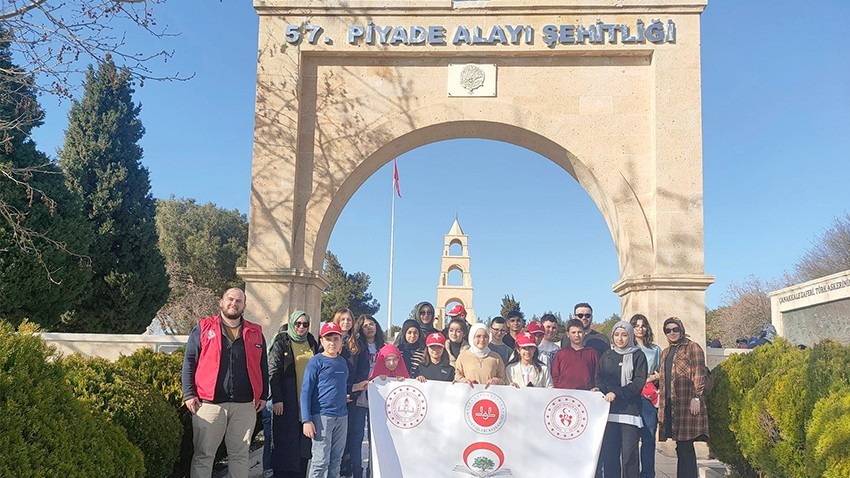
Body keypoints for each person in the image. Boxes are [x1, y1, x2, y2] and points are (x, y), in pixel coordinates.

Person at [181, 288, 268, 478]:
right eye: (230, 299)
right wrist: (188, 393)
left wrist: (263, 395)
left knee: (240, 455)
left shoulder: (255, 332)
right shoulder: (203, 328)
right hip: (209, 404)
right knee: (204, 455)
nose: (234, 303)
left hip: (244, 405)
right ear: (221, 302)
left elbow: (262, 366)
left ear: (244, 306)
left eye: (239, 301)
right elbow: (189, 361)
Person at [302, 322, 367, 478]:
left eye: (336, 338)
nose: (332, 342)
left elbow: (342, 386)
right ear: (322, 341)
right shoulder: (316, 361)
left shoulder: (342, 362)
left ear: (341, 341)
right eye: (328, 338)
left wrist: (357, 386)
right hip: (322, 417)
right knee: (320, 461)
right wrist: (306, 420)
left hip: (342, 417)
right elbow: (305, 391)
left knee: (336, 461)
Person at [267, 310, 319, 478]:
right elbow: (273, 371)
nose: (301, 327)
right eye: (298, 323)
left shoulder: (311, 341)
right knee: (285, 443)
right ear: (291, 323)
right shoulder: (282, 341)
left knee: (303, 445)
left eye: (305, 324)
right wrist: (277, 398)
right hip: (286, 399)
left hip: (306, 401)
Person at [658, 317, 709, 478]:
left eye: (675, 329)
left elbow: (699, 372)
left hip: (687, 402)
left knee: (686, 446)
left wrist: (696, 397)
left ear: (681, 330)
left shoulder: (692, 347)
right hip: (671, 404)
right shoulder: (666, 352)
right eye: (668, 330)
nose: (672, 333)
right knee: (680, 445)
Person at [597, 321, 647, 478]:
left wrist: (616, 393)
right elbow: (600, 379)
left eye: (624, 335)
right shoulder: (607, 355)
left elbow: (638, 382)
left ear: (630, 336)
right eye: (617, 335)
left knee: (629, 454)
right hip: (609, 412)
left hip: (629, 411)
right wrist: (606, 392)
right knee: (610, 454)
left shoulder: (638, 355)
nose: (620, 338)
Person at [347, 315, 385, 478]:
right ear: (360, 330)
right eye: (365, 326)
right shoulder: (357, 347)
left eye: (372, 324)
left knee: (375, 439)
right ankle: (357, 471)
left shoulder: (384, 347)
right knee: (356, 438)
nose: (369, 328)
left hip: (379, 398)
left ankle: (372, 471)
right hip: (359, 397)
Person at [630, 314, 662, 478]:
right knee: (631, 439)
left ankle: (648, 474)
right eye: (636, 326)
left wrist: (653, 377)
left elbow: (661, 371)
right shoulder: (628, 347)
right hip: (631, 396)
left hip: (647, 397)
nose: (640, 329)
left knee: (648, 438)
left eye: (643, 325)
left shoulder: (655, 349)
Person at [551, 319, 598, 391]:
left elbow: (596, 374)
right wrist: (558, 390)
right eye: (573, 332)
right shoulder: (561, 353)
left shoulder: (591, 353)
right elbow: (555, 375)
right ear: (568, 334)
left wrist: (596, 387)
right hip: (564, 394)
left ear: (584, 333)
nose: (577, 335)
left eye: (579, 332)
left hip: (586, 394)